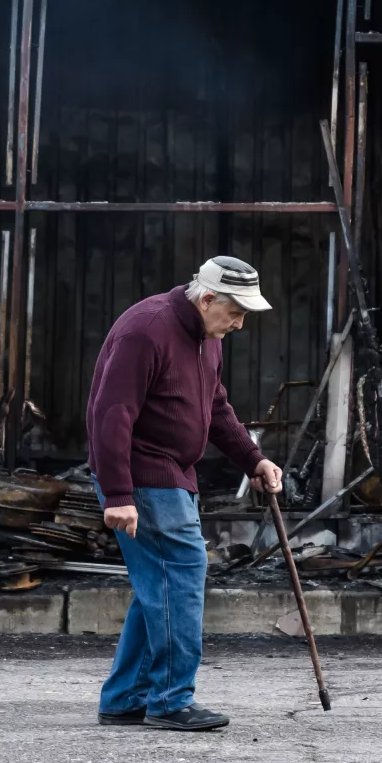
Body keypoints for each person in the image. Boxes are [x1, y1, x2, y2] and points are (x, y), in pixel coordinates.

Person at [86, 255, 283, 732]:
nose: (238, 324)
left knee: (160, 587)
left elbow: (215, 407)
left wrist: (252, 459)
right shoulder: (146, 329)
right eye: (235, 311)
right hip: (145, 476)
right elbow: (111, 414)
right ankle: (171, 700)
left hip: (173, 475)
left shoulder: (205, 337)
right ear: (208, 297)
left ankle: (125, 697)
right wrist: (117, 494)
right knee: (181, 576)